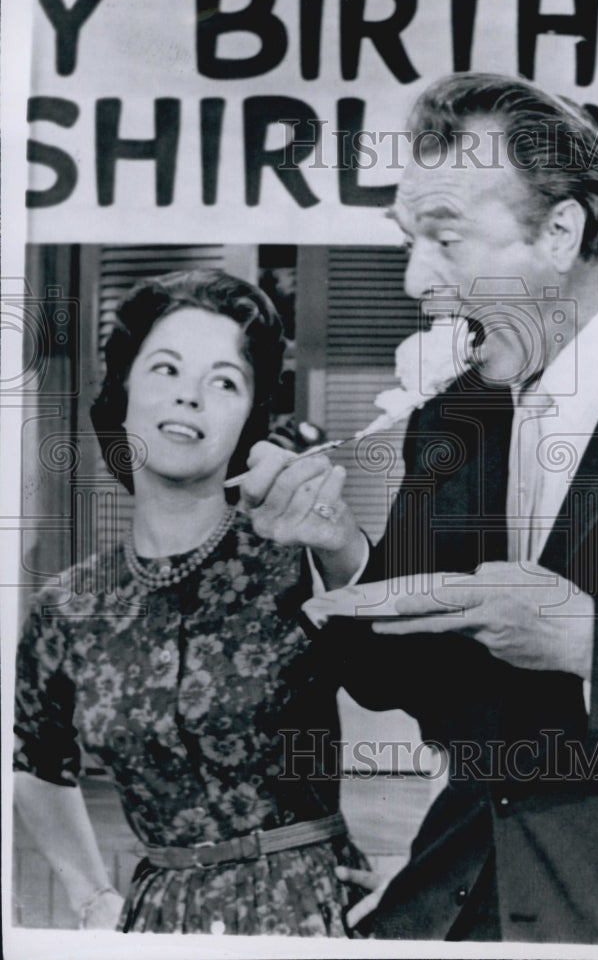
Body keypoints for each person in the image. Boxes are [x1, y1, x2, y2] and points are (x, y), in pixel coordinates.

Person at [262, 73, 598, 943]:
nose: (417, 280)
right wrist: (340, 545)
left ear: (561, 230)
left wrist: (588, 641)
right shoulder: (453, 414)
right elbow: (405, 681)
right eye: (407, 239)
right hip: (454, 894)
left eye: (445, 239)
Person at [13, 269, 370, 935]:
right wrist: (91, 896)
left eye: (224, 382)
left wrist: (423, 871)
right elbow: (35, 763)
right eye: (166, 369)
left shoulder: (298, 558)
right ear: (121, 394)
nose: (191, 398)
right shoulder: (67, 608)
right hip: (156, 921)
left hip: (307, 914)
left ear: (248, 418)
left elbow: (441, 690)